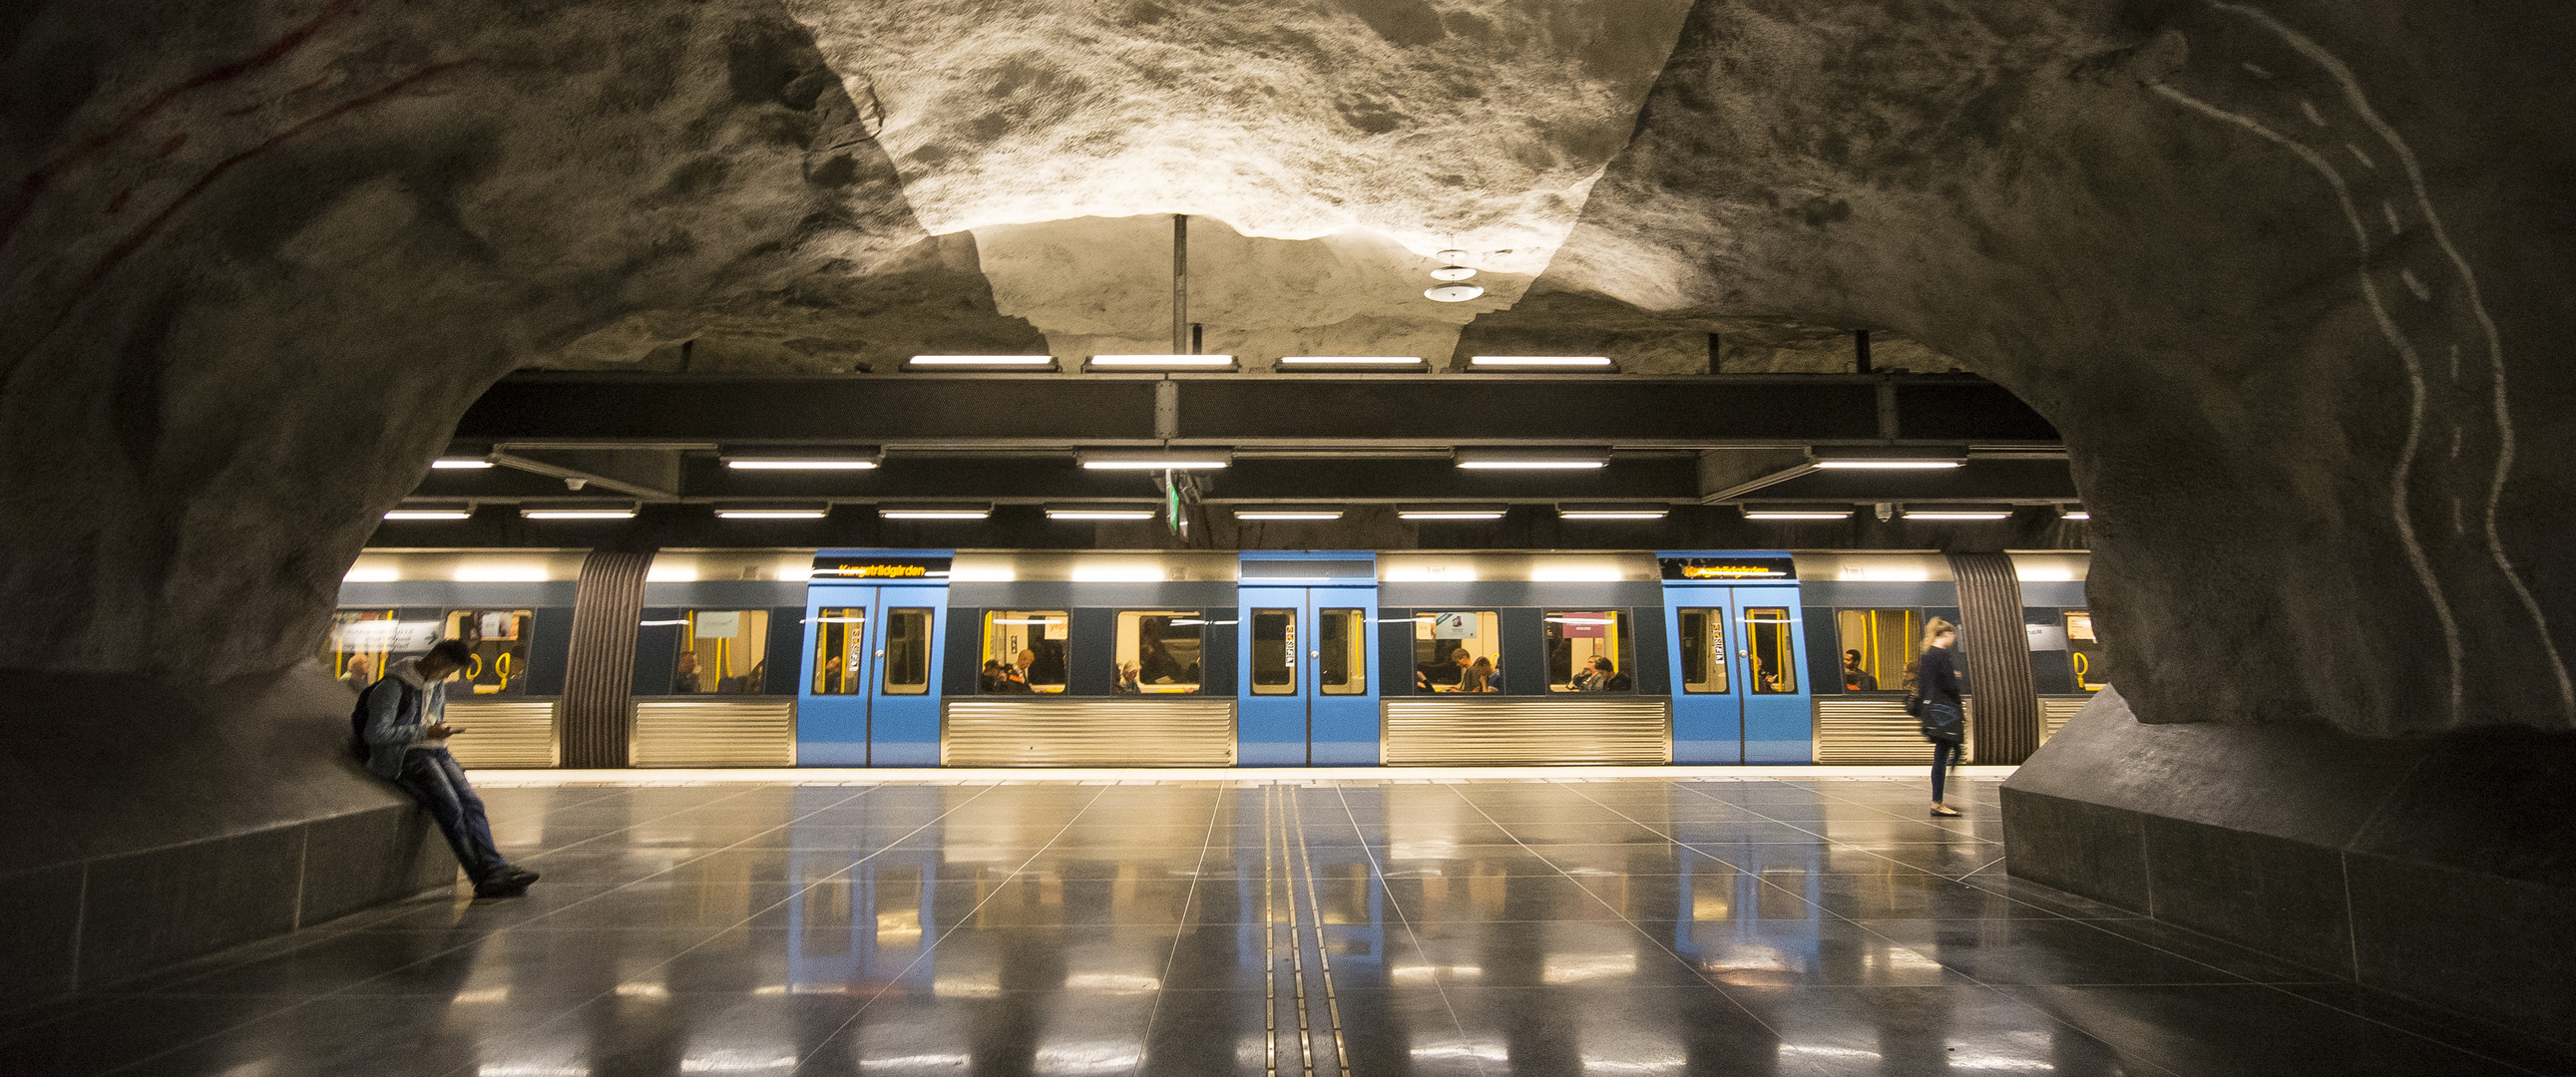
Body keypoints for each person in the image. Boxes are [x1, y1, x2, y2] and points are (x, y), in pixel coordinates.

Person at [356, 639, 539, 898]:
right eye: (450, 670)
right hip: (407, 756)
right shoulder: (392, 687)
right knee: (450, 806)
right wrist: (424, 732)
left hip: (436, 750)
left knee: (472, 803)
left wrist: (439, 732)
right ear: (437, 659)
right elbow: (375, 733)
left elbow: (433, 719)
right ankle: (482, 877)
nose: (450, 676)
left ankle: (496, 867)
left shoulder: (437, 684)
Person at [1916, 618, 1967, 817]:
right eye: (1952, 635)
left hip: (1934, 711)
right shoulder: (1942, 655)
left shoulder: (1927, 655)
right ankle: (1937, 803)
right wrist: (1959, 708)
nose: (1954, 638)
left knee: (1944, 752)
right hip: (1946, 712)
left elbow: (1923, 686)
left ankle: (1939, 800)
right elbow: (1950, 685)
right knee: (1944, 753)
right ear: (1946, 635)